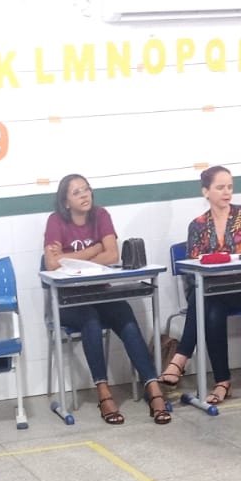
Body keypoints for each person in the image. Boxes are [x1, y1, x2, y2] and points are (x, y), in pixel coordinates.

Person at [41, 175, 169, 425]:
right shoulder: (56, 221)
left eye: (86, 189)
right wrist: (94, 249)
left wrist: (71, 258)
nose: (84, 195)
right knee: (90, 319)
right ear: (66, 202)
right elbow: (52, 264)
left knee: (125, 314)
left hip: (100, 293)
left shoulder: (100, 215)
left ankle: (152, 386)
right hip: (68, 301)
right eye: (76, 192)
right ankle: (103, 392)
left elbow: (112, 255)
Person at [162, 165, 241, 404]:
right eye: (220, 187)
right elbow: (192, 268)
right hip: (213, 291)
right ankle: (222, 382)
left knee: (206, 300)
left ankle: (181, 357)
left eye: (230, 187)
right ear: (206, 191)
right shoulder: (197, 225)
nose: (227, 192)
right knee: (211, 308)